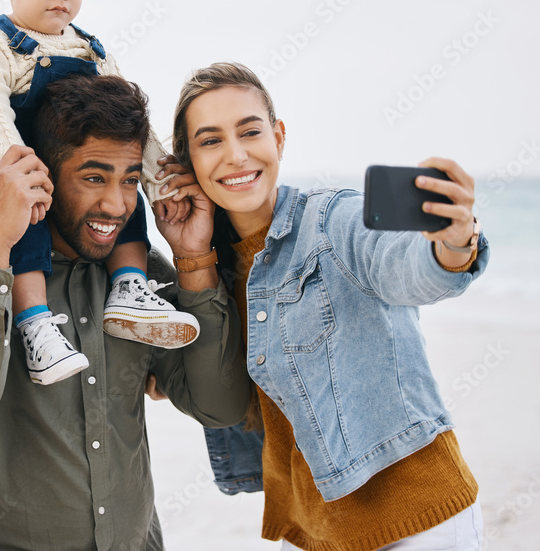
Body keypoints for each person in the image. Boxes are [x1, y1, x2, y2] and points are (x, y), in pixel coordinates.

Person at [0, 72, 253, 550]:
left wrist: (194, 259)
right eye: (93, 177)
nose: (116, 205)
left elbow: (220, 406)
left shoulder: (139, 277)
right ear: (41, 172)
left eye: (130, 180)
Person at [170, 62, 487, 550]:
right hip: (311, 530)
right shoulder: (209, 268)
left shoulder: (332, 220)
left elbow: (407, 268)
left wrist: (453, 243)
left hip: (420, 519)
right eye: (210, 141)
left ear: (278, 137)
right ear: (187, 161)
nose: (235, 155)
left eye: (250, 131)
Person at [0, 0, 198, 385]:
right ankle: (36, 325)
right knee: (29, 224)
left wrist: (159, 179)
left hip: (75, 170)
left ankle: (129, 284)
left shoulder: (89, 48)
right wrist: (20, 176)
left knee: (122, 194)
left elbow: (134, 129)